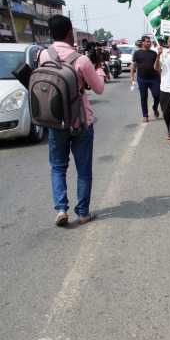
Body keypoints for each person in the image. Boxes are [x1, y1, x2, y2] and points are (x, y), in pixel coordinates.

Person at [39, 15, 104, 226]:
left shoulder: (43, 55)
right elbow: (99, 89)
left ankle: (60, 209)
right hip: (81, 122)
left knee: (58, 167)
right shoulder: (81, 60)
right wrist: (99, 69)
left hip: (55, 120)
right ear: (70, 34)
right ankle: (83, 212)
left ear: (50, 33)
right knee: (83, 170)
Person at [130, 35, 160, 123]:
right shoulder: (137, 53)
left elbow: (157, 66)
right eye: (147, 41)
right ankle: (145, 115)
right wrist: (131, 76)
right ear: (143, 42)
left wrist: (160, 76)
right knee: (143, 97)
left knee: (157, 95)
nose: (149, 43)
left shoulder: (153, 53)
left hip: (154, 79)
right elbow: (133, 65)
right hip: (142, 79)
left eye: (150, 41)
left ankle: (155, 108)